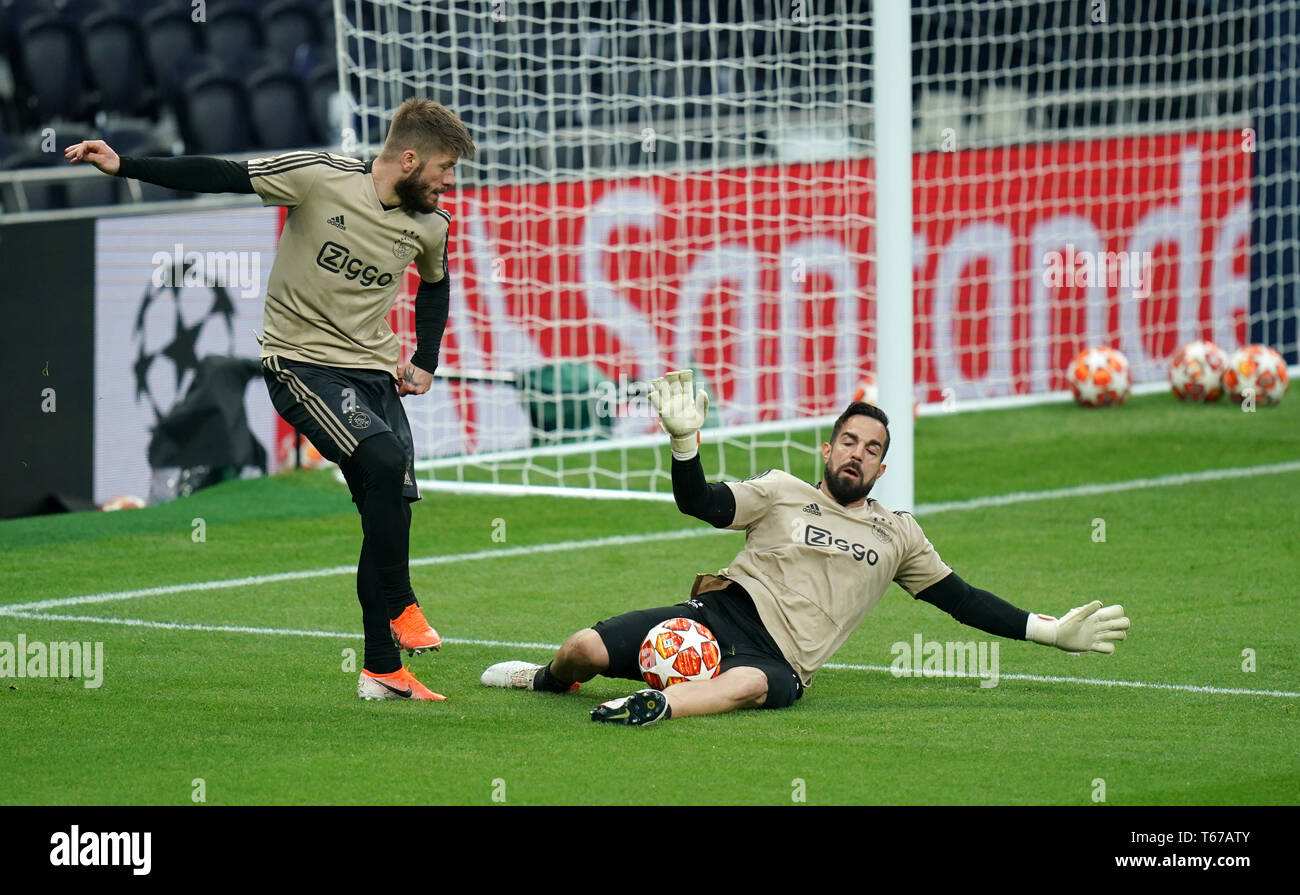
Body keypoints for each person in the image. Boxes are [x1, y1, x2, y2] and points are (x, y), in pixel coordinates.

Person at [66, 99, 476, 702]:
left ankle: (382, 669)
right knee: (385, 465)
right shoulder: (320, 177)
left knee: (386, 509)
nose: (449, 181)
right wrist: (125, 164)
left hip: (372, 376)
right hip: (300, 364)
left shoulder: (430, 225)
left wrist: (425, 361)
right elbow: (224, 174)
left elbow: (435, 290)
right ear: (408, 159)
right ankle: (402, 601)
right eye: (444, 167)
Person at [482, 369, 1131, 725]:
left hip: (780, 660)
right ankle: (541, 679)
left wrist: (1051, 630)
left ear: (882, 468)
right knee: (581, 649)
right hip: (711, 618)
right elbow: (701, 504)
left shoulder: (897, 534)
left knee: (743, 687)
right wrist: (686, 447)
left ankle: (657, 705)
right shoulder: (782, 490)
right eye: (850, 440)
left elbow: (962, 601)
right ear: (829, 447)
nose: (859, 453)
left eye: (873, 449)